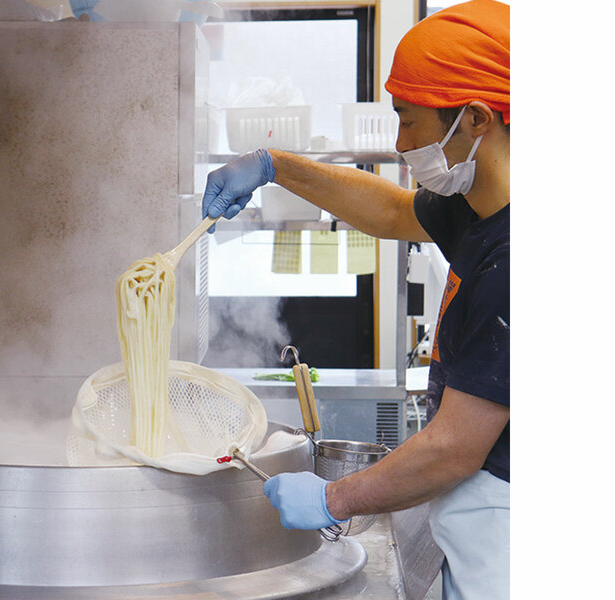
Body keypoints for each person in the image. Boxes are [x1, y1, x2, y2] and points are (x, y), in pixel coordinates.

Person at [201, 1, 510, 598]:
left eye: (409, 119)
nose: (399, 143)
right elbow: (394, 210)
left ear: (475, 119)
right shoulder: (478, 205)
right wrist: (273, 166)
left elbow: (453, 449)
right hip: (476, 529)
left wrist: (331, 497)